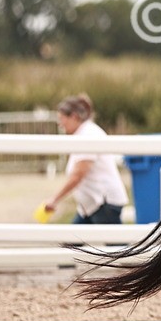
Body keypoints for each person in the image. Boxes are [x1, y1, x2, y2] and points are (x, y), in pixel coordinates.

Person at [44, 94, 128, 224]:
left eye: (62, 118)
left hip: (103, 203)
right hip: (92, 204)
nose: (60, 124)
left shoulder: (88, 135)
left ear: (73, 117)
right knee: (71, 242)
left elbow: (78, 175)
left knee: (115, 244)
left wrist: (54, 199)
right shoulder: (84, 133)